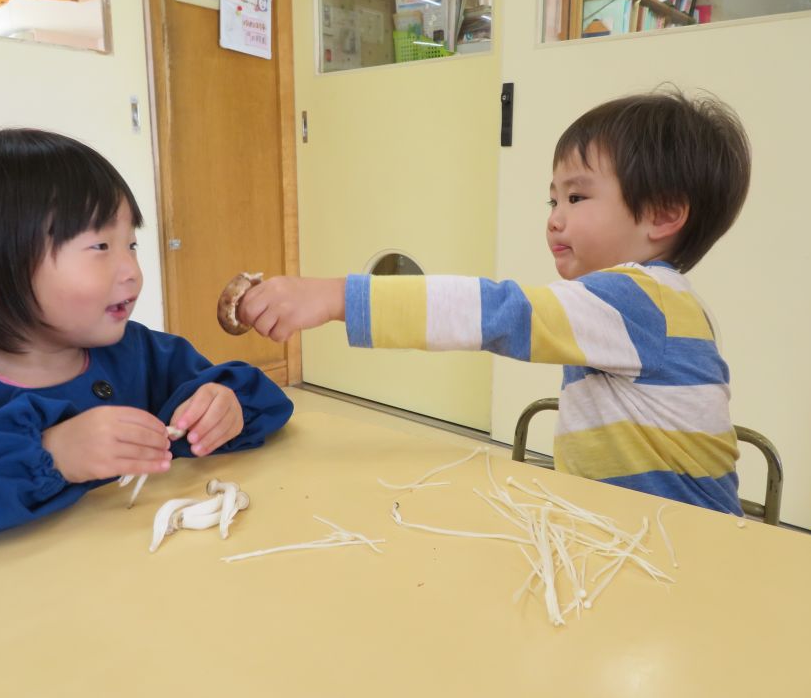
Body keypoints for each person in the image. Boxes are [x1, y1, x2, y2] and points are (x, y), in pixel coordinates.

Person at [236, 89, 751, 515]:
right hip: (628, 529)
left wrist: (331, 297)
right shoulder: (664, 303)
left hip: (675, 546)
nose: (554, 217)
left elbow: (494, 312)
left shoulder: (638, 300)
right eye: (553, 200)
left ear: (662, 215)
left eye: (576, 198)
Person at [0, 128, 293, 549]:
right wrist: (51, 456)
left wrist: (229, 405)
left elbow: (263, 399)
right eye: (101, 245)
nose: (132, 272)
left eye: (132, 245)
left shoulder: (143, 354)